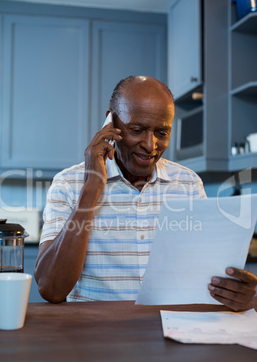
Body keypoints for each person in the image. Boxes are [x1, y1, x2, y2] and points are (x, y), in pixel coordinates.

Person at [35, 75, 257, 310]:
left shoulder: (188, 184)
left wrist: (235, 293)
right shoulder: (68, 183)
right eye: (137, 129)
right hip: (94, 334)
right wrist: (91, 188)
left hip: (167, 330)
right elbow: (51, 290)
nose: (150, 146)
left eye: (162, 133)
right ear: (110, 122)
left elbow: (202, 275)